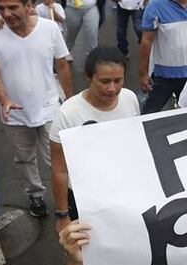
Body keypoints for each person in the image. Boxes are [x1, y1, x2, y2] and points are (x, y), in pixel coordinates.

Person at [0, 0, 72, 218]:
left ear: (29, 5)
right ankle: (35, 195)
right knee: (24, 158)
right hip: (15, 113)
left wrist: (70, 101)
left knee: (57, 159)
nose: (6, 14)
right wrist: (4, 99)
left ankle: (68, 199)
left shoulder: (50, 28)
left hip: (50, 107)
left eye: (12, 7)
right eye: (1, 8)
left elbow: (62, 65)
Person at [50, 46, 140, 232]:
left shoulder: (130, 99)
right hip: (84, 199)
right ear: (88, 77)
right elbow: (59, 170)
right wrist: (62, 215)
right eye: (104, 81)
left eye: (118, 80)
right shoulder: (68, 114)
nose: (112, 88)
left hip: (122, 189)